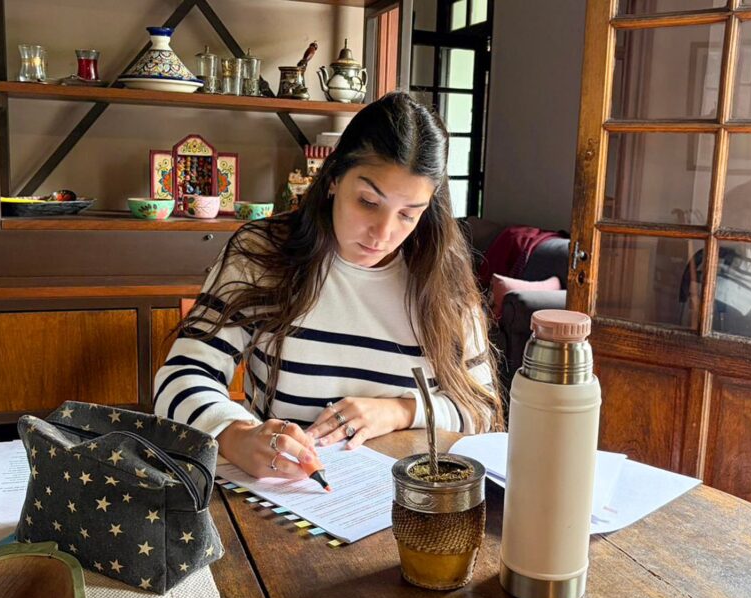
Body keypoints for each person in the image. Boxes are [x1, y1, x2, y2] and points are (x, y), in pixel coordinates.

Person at [153, 92, 503, 480]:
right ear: (334, 178)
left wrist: (400, 411)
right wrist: (236, 436)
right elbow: (180, 376)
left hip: (410, 498)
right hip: (286, 494)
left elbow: (482, 410)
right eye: (368, 201)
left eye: (408, 214)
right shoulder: (263, 254)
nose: (383, 234)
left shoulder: (442, 275)